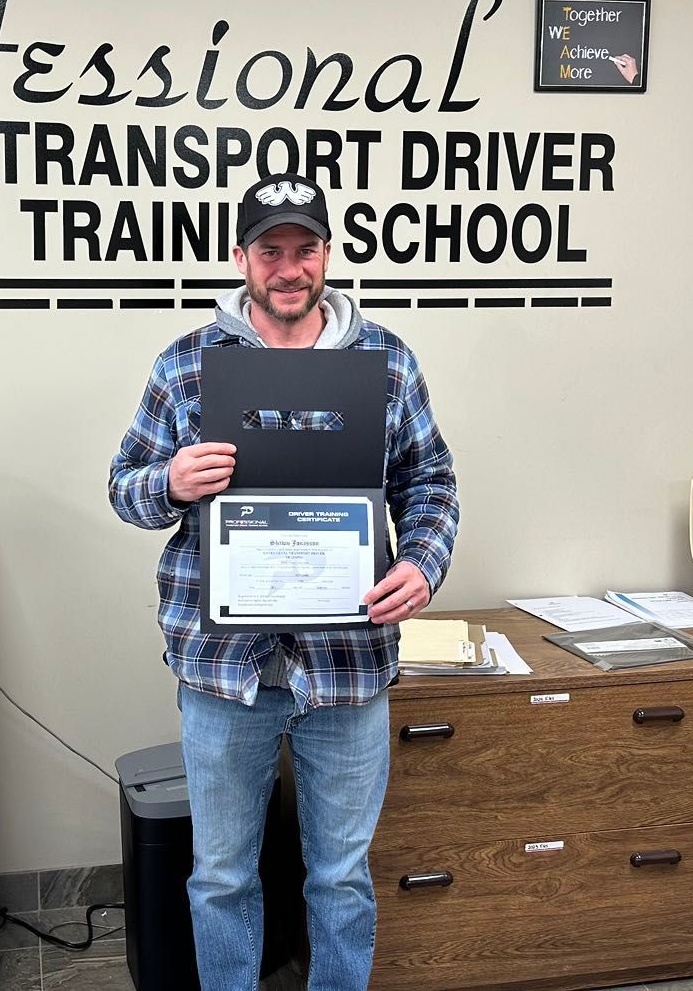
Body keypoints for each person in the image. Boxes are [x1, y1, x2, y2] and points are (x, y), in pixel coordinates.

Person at [109, 173, 459, 991]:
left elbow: (430, 481)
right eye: (271, 251)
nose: (289, 268)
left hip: (348, 662)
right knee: (222, 878)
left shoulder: (386, 362)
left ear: (328, 256)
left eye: (306, 249)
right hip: (225, 669)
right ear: (242, 259)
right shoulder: (189, 365)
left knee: (339, 878)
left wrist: (421, 564)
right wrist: (171, 481)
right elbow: (123, 486)